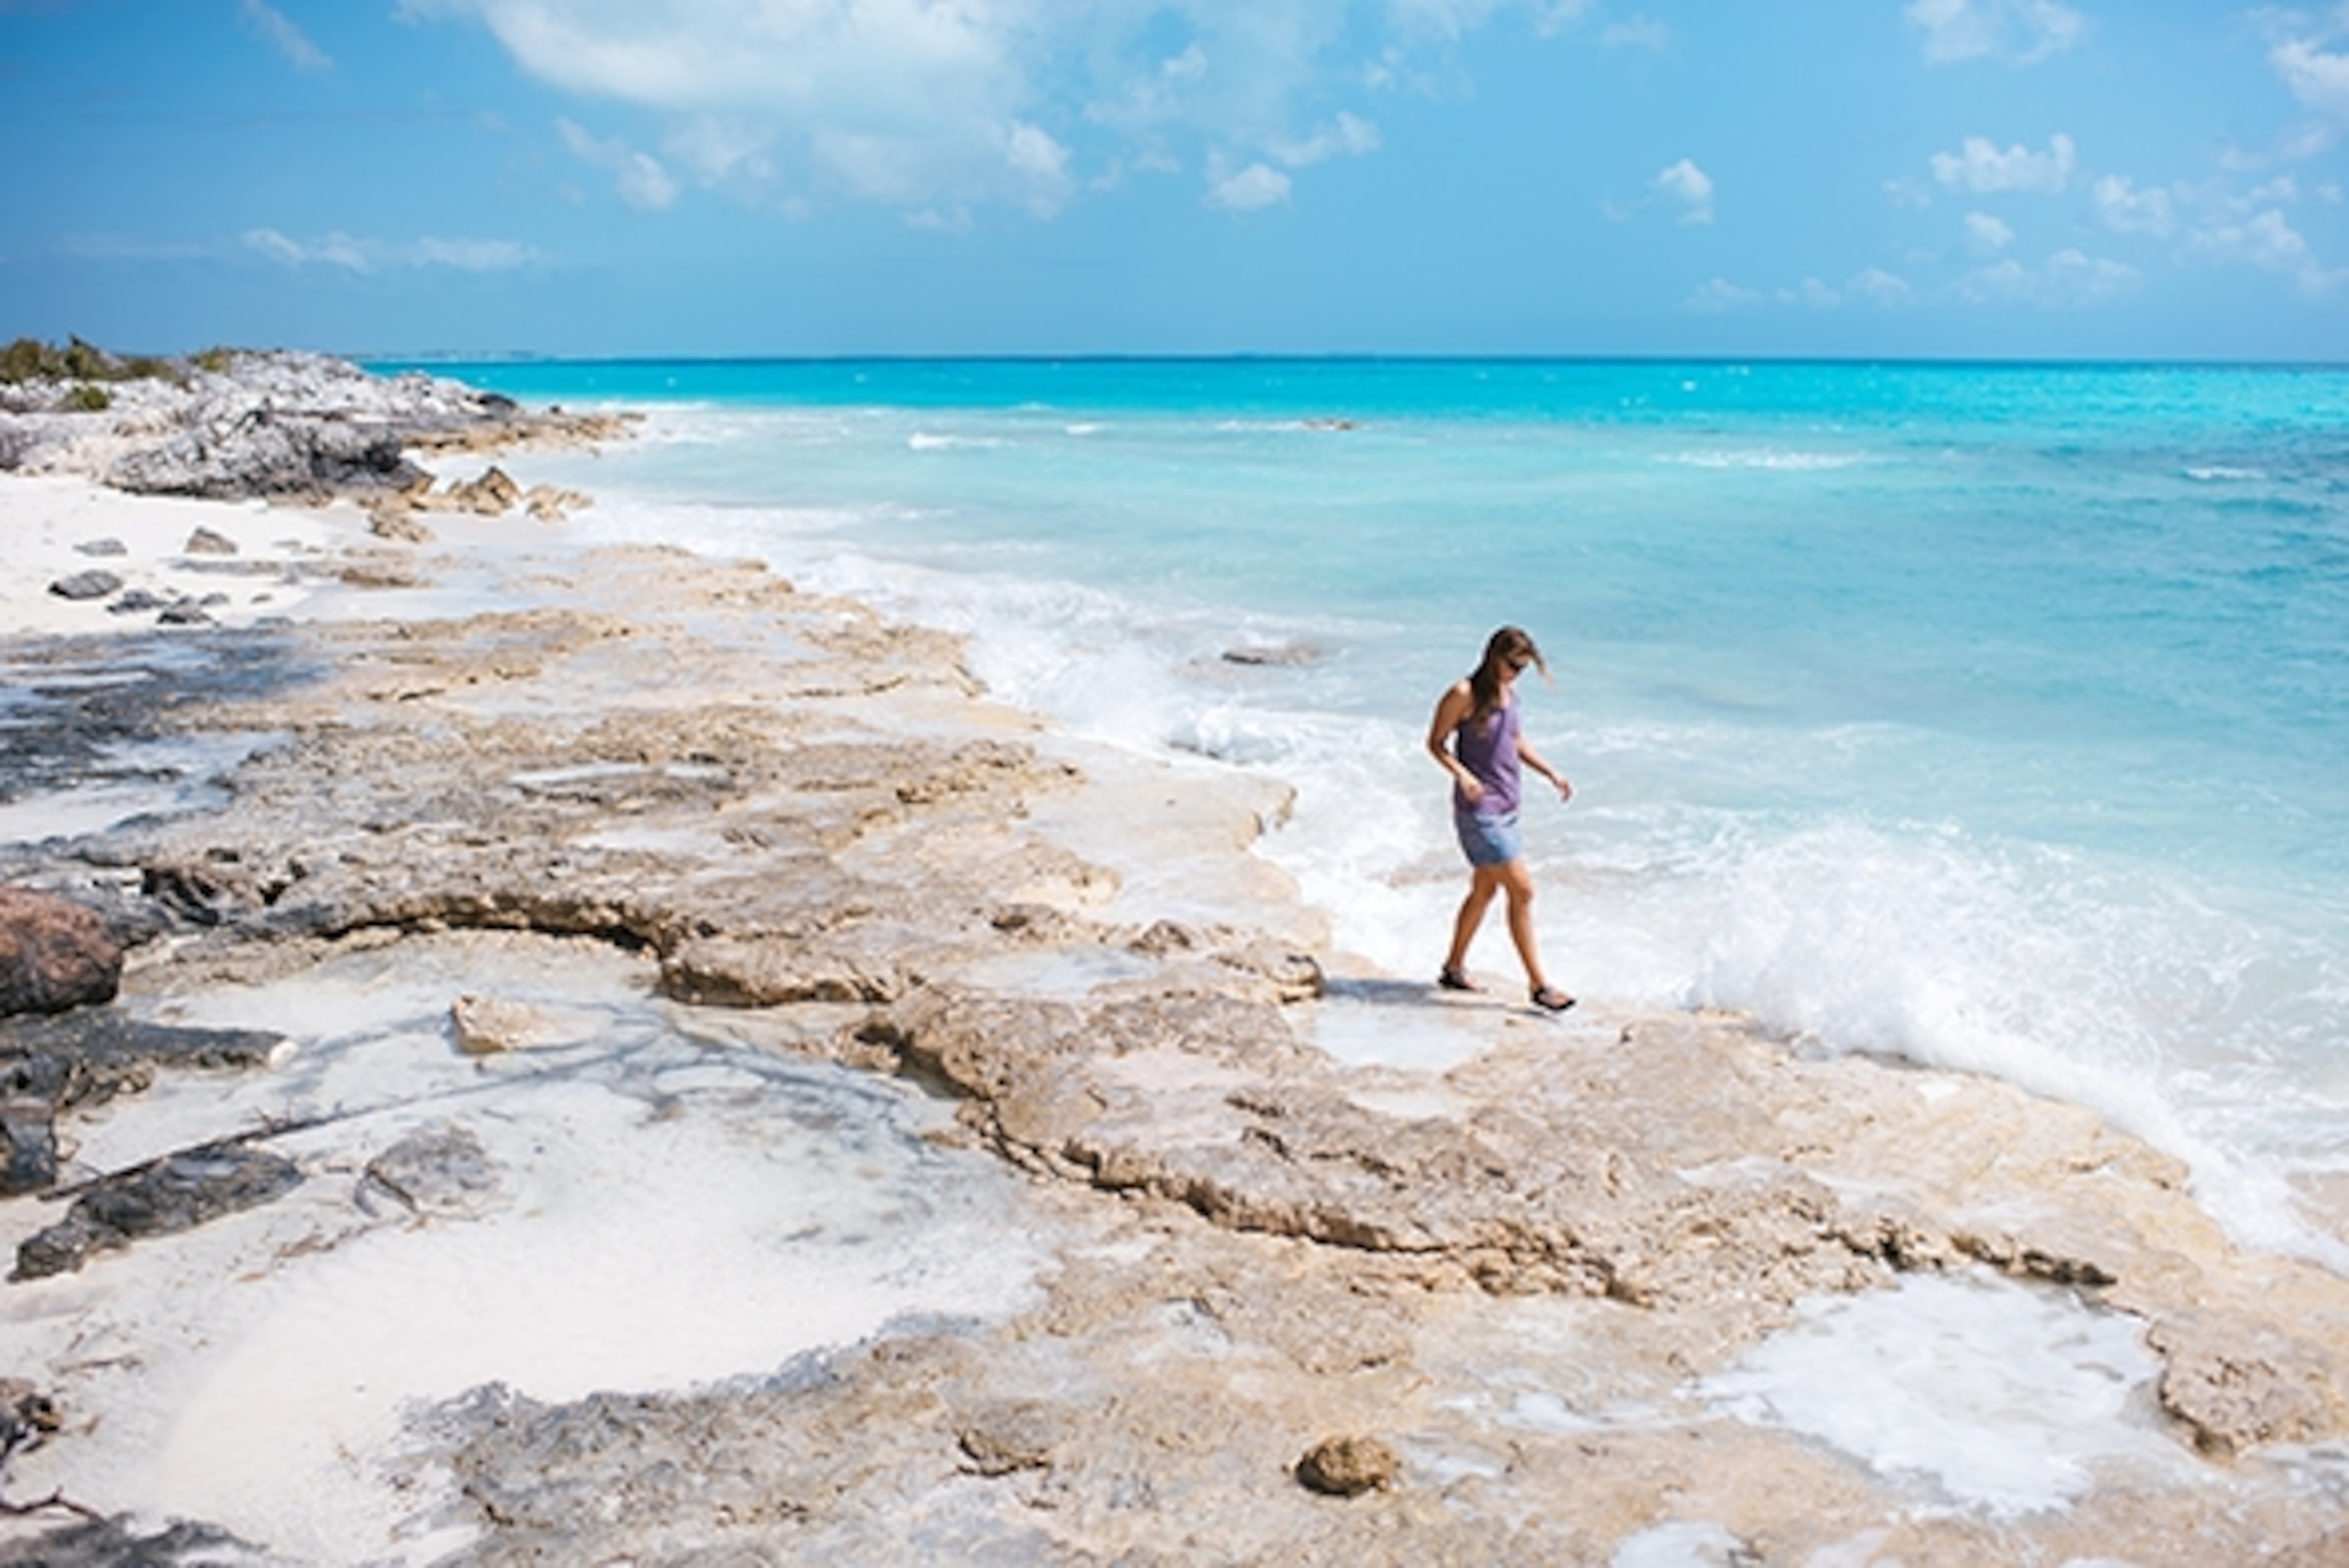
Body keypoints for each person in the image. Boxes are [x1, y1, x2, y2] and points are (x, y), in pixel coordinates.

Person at [1426, 625, 1575, 1011]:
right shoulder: (1464, 694)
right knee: (1523, 891)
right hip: (1479, 812)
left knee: (1484, 890)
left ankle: (1453, 968)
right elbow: (1435, 743)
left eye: (1523, 668)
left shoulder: (1509, 693)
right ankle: (1539, 986)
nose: (1516, 673)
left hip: (1508, 807)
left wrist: (1550, 772)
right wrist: (1462, 774)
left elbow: (1514, 740)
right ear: (1494, 658)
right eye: (1513, 666)